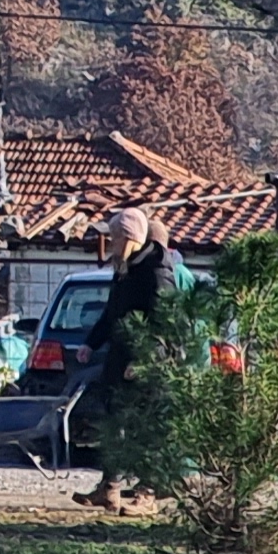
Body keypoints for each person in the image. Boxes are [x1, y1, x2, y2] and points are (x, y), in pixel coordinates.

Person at [80, 206, 185, 511]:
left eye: (113, 238)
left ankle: (148, 493)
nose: (110, 244)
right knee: (114, 424)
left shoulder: (156, 271)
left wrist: (145, 360)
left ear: (128, 238)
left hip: (147, 365)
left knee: (145, 428)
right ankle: (109, 489)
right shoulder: (124, 269)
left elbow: (166, 322)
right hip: (119, 359)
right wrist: (91, 343)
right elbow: (112, 313)